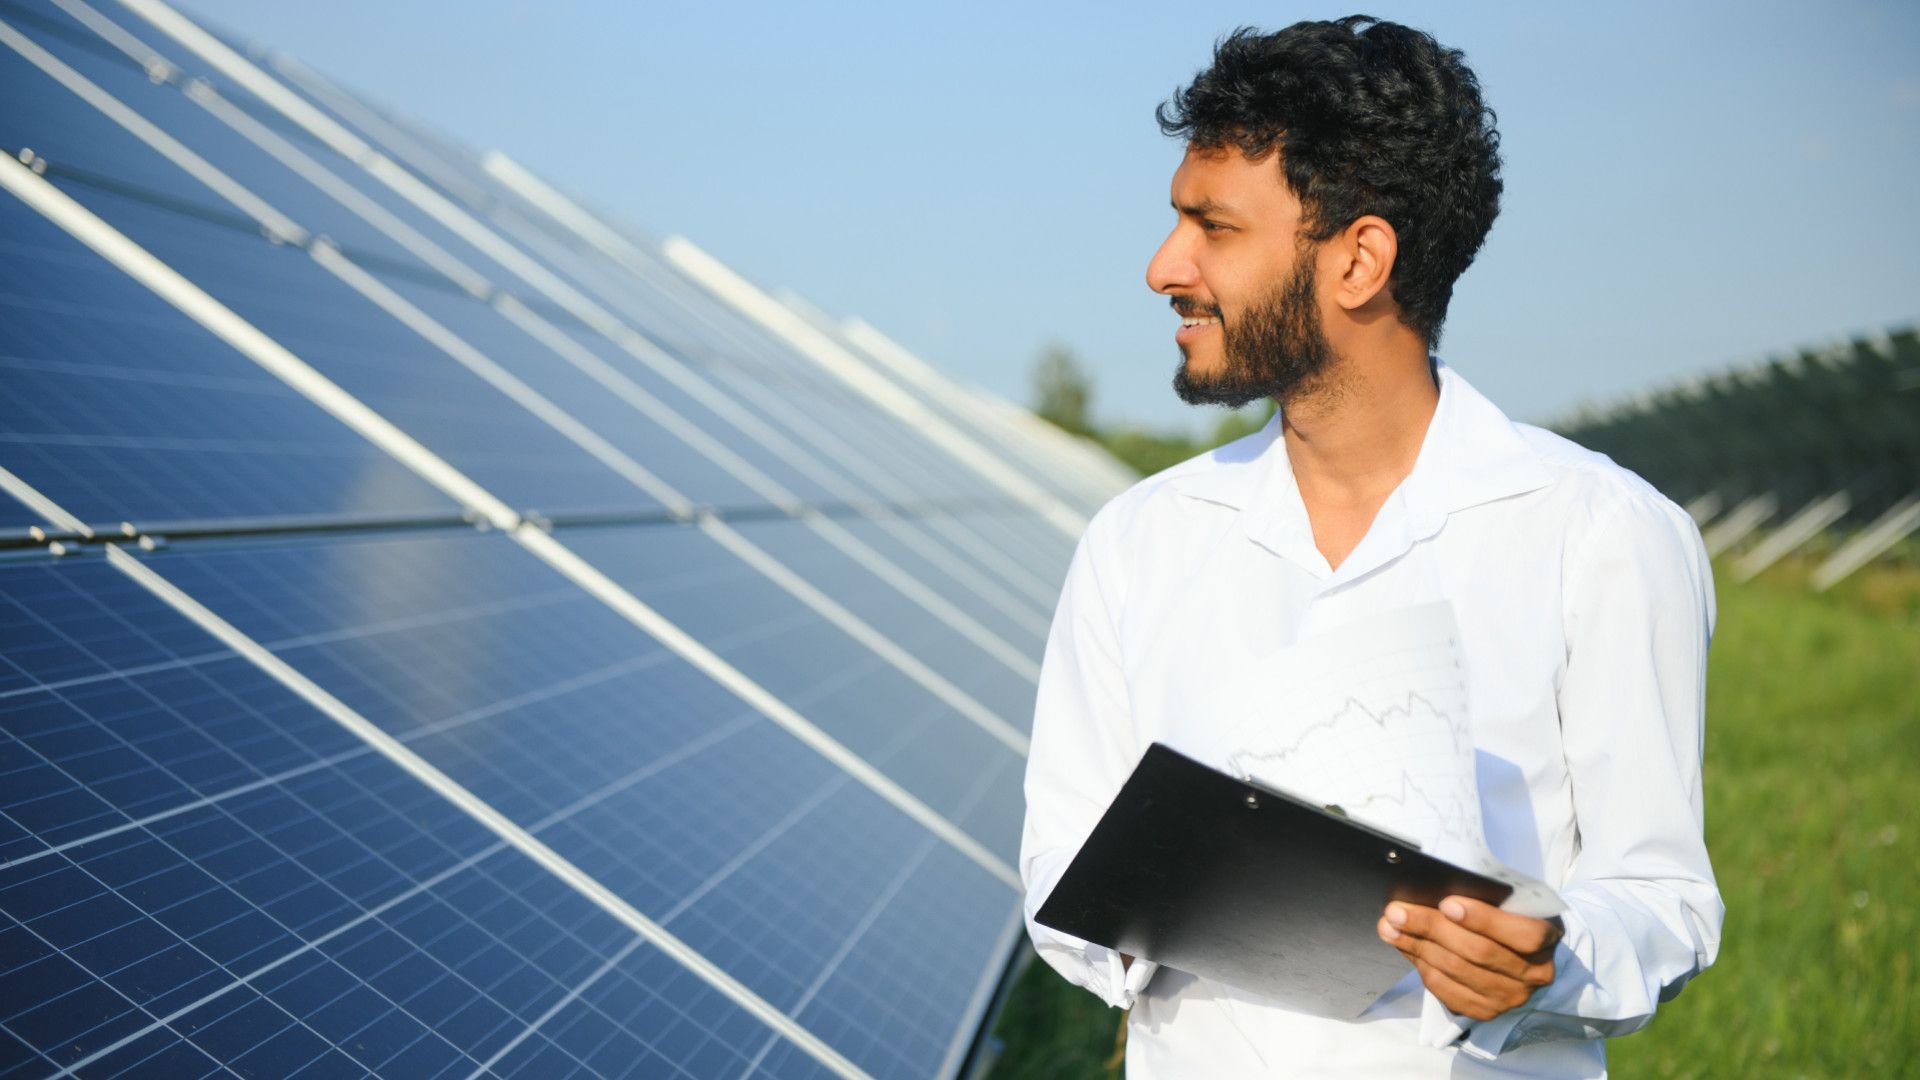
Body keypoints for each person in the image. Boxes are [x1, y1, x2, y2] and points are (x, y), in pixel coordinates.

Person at [1020, 16, 1722, 1078]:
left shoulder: (1601, 536)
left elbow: (1665, 897)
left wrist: (1547, 961)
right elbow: (1058, 875)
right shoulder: (1137, 545)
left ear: (1360, 260)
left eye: (1215, 227)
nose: (1167, 265)